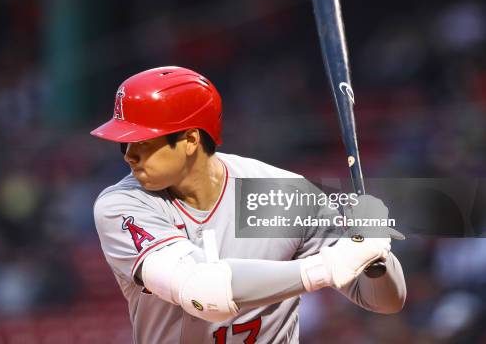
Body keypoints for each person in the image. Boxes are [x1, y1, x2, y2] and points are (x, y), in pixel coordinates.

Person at [91, 66, 406, 343]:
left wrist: (375, 255)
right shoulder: (124, 204)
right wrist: (326, 267)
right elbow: (203, 294)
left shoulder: (277, 195)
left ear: (190, 140)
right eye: (125, 143)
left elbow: (384, 301)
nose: (129, 155)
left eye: (143, 143)